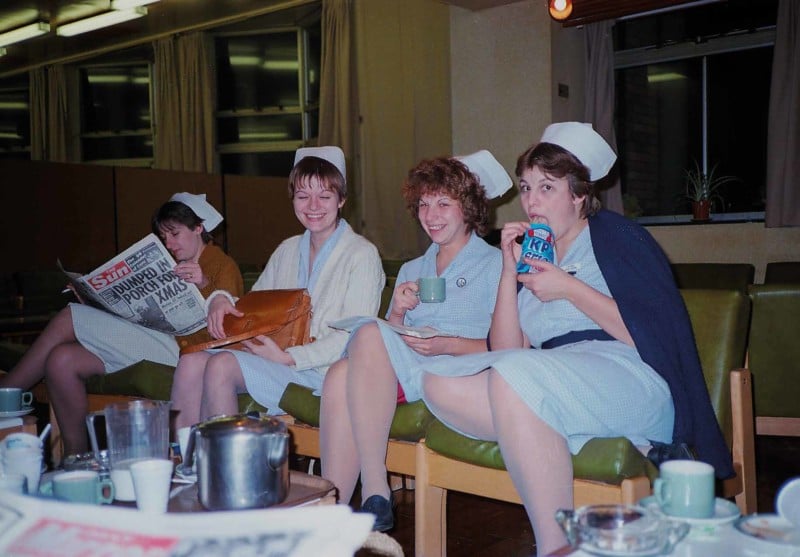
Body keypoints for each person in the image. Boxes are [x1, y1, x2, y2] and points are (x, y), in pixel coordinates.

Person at [419, 122, 733, 554]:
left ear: (579, 195)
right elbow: (508, 351)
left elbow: (653, 338)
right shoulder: (533, 254)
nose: (531, 201)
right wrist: (510, 272)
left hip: (628, 377)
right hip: (550, 382)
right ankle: (552, 437)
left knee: (511, 380)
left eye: (546, 187)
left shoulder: (617, 238)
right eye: (526, 187)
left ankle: (555, 547)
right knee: (436, 381)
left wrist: (570, 289)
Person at [319, 151, 509, 531]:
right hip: (409, 369)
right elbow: (386, 342)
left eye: (443, 203)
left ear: (469, 208)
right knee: (342, 371)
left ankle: (375, 487)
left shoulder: (496, 264)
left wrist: (449, 344)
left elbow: (508, 345)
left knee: (354, 355)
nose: (430, 214)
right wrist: (399, 314)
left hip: (460, 372)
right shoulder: (412, 268)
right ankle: (333, 507)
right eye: (423, 203)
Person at [0, 193, 243, 456]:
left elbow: (229, 326)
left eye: (174, 233)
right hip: (151, 341)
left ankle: (5, 394)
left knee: (70, 316)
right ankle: (78, 456)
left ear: (198, 228)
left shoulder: (222, 265)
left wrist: (205, 284)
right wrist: (93, 299)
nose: (169, 243)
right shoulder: (172, 263)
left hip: (187, 354)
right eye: (164, 237)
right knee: (62, 360)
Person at [170, 146, 385, 429]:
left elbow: (354, 336)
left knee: (221, 365)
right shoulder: (287, 249)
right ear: (292, 199)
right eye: (302, 196)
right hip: (274, 359)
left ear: (342, 199)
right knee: (190, 361)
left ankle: (226, 467)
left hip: (322, 370)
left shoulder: (362, 255)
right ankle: (185, 462)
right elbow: (253, 306)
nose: (313, 206)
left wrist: (288, 357)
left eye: (324, 196)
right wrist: (220, 299)